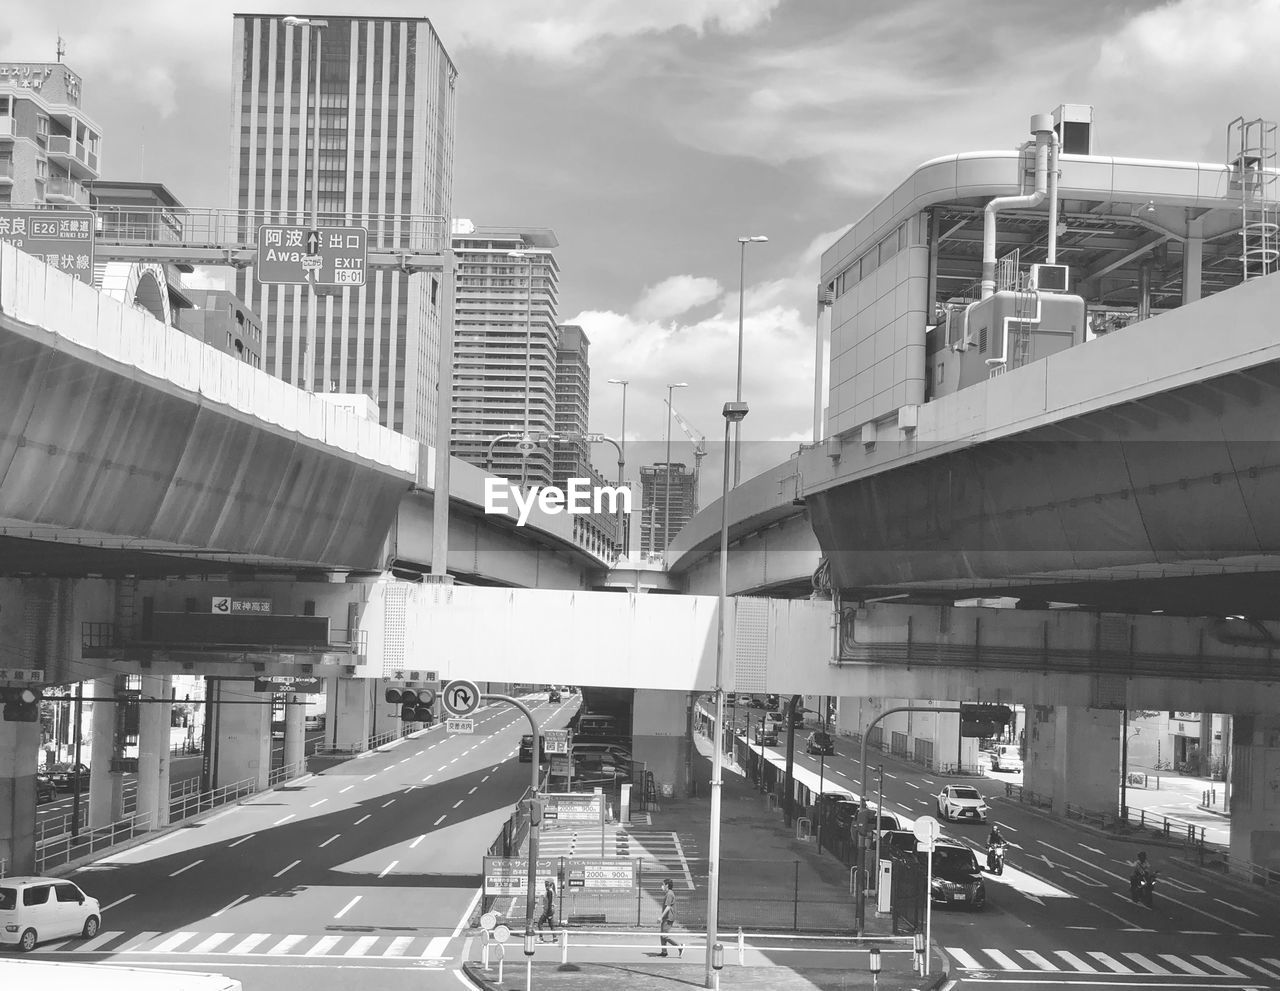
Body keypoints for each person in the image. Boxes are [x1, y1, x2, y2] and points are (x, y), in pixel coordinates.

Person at [658, 878, 683, 958]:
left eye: (663, 884)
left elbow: (668, 907)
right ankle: (664, 951)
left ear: (667, 885)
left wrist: (661, 917)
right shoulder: (669, 893)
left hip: (668, 917)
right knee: (662, 934)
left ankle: (679, 946)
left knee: (664, 936)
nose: (662, 886)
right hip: (667, 916)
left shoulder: (669, 894)